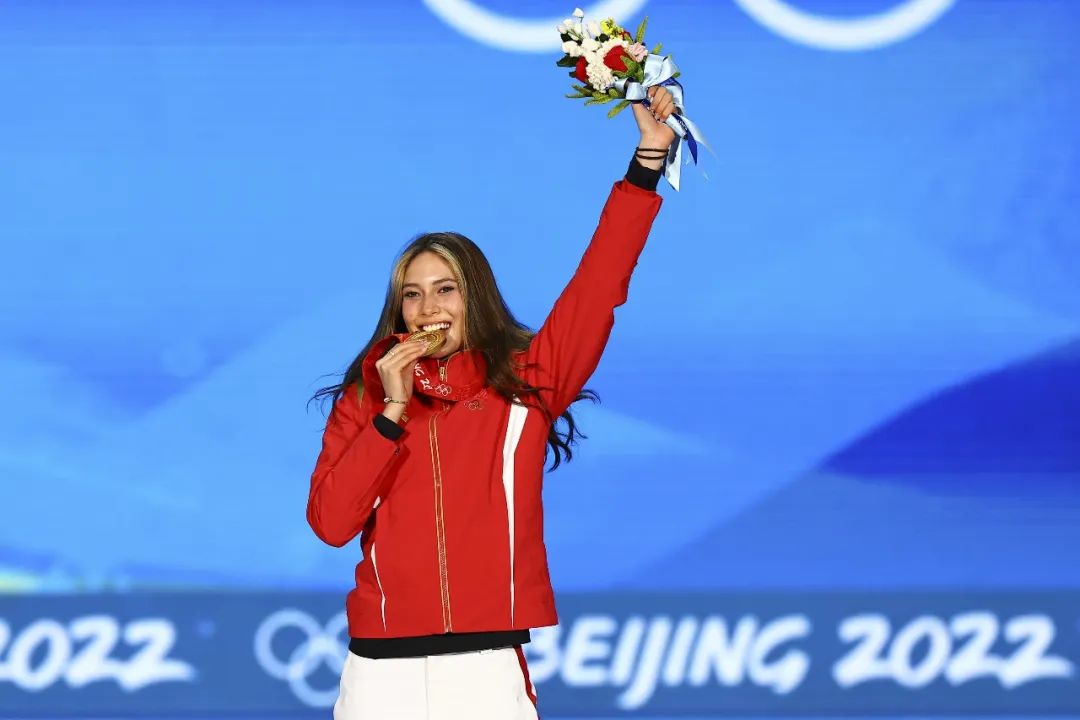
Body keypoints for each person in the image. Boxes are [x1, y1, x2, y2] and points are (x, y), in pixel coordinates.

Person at [308, 85, 678, 719]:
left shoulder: (528, 383)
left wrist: (647, 160)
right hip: (378, 674)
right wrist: (390, 415)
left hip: (483, 671)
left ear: (473, 296)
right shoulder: (366, 396)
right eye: (412, 294)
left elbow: (598, 286)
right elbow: (331, 524)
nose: (428, 308)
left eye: (445, 289)